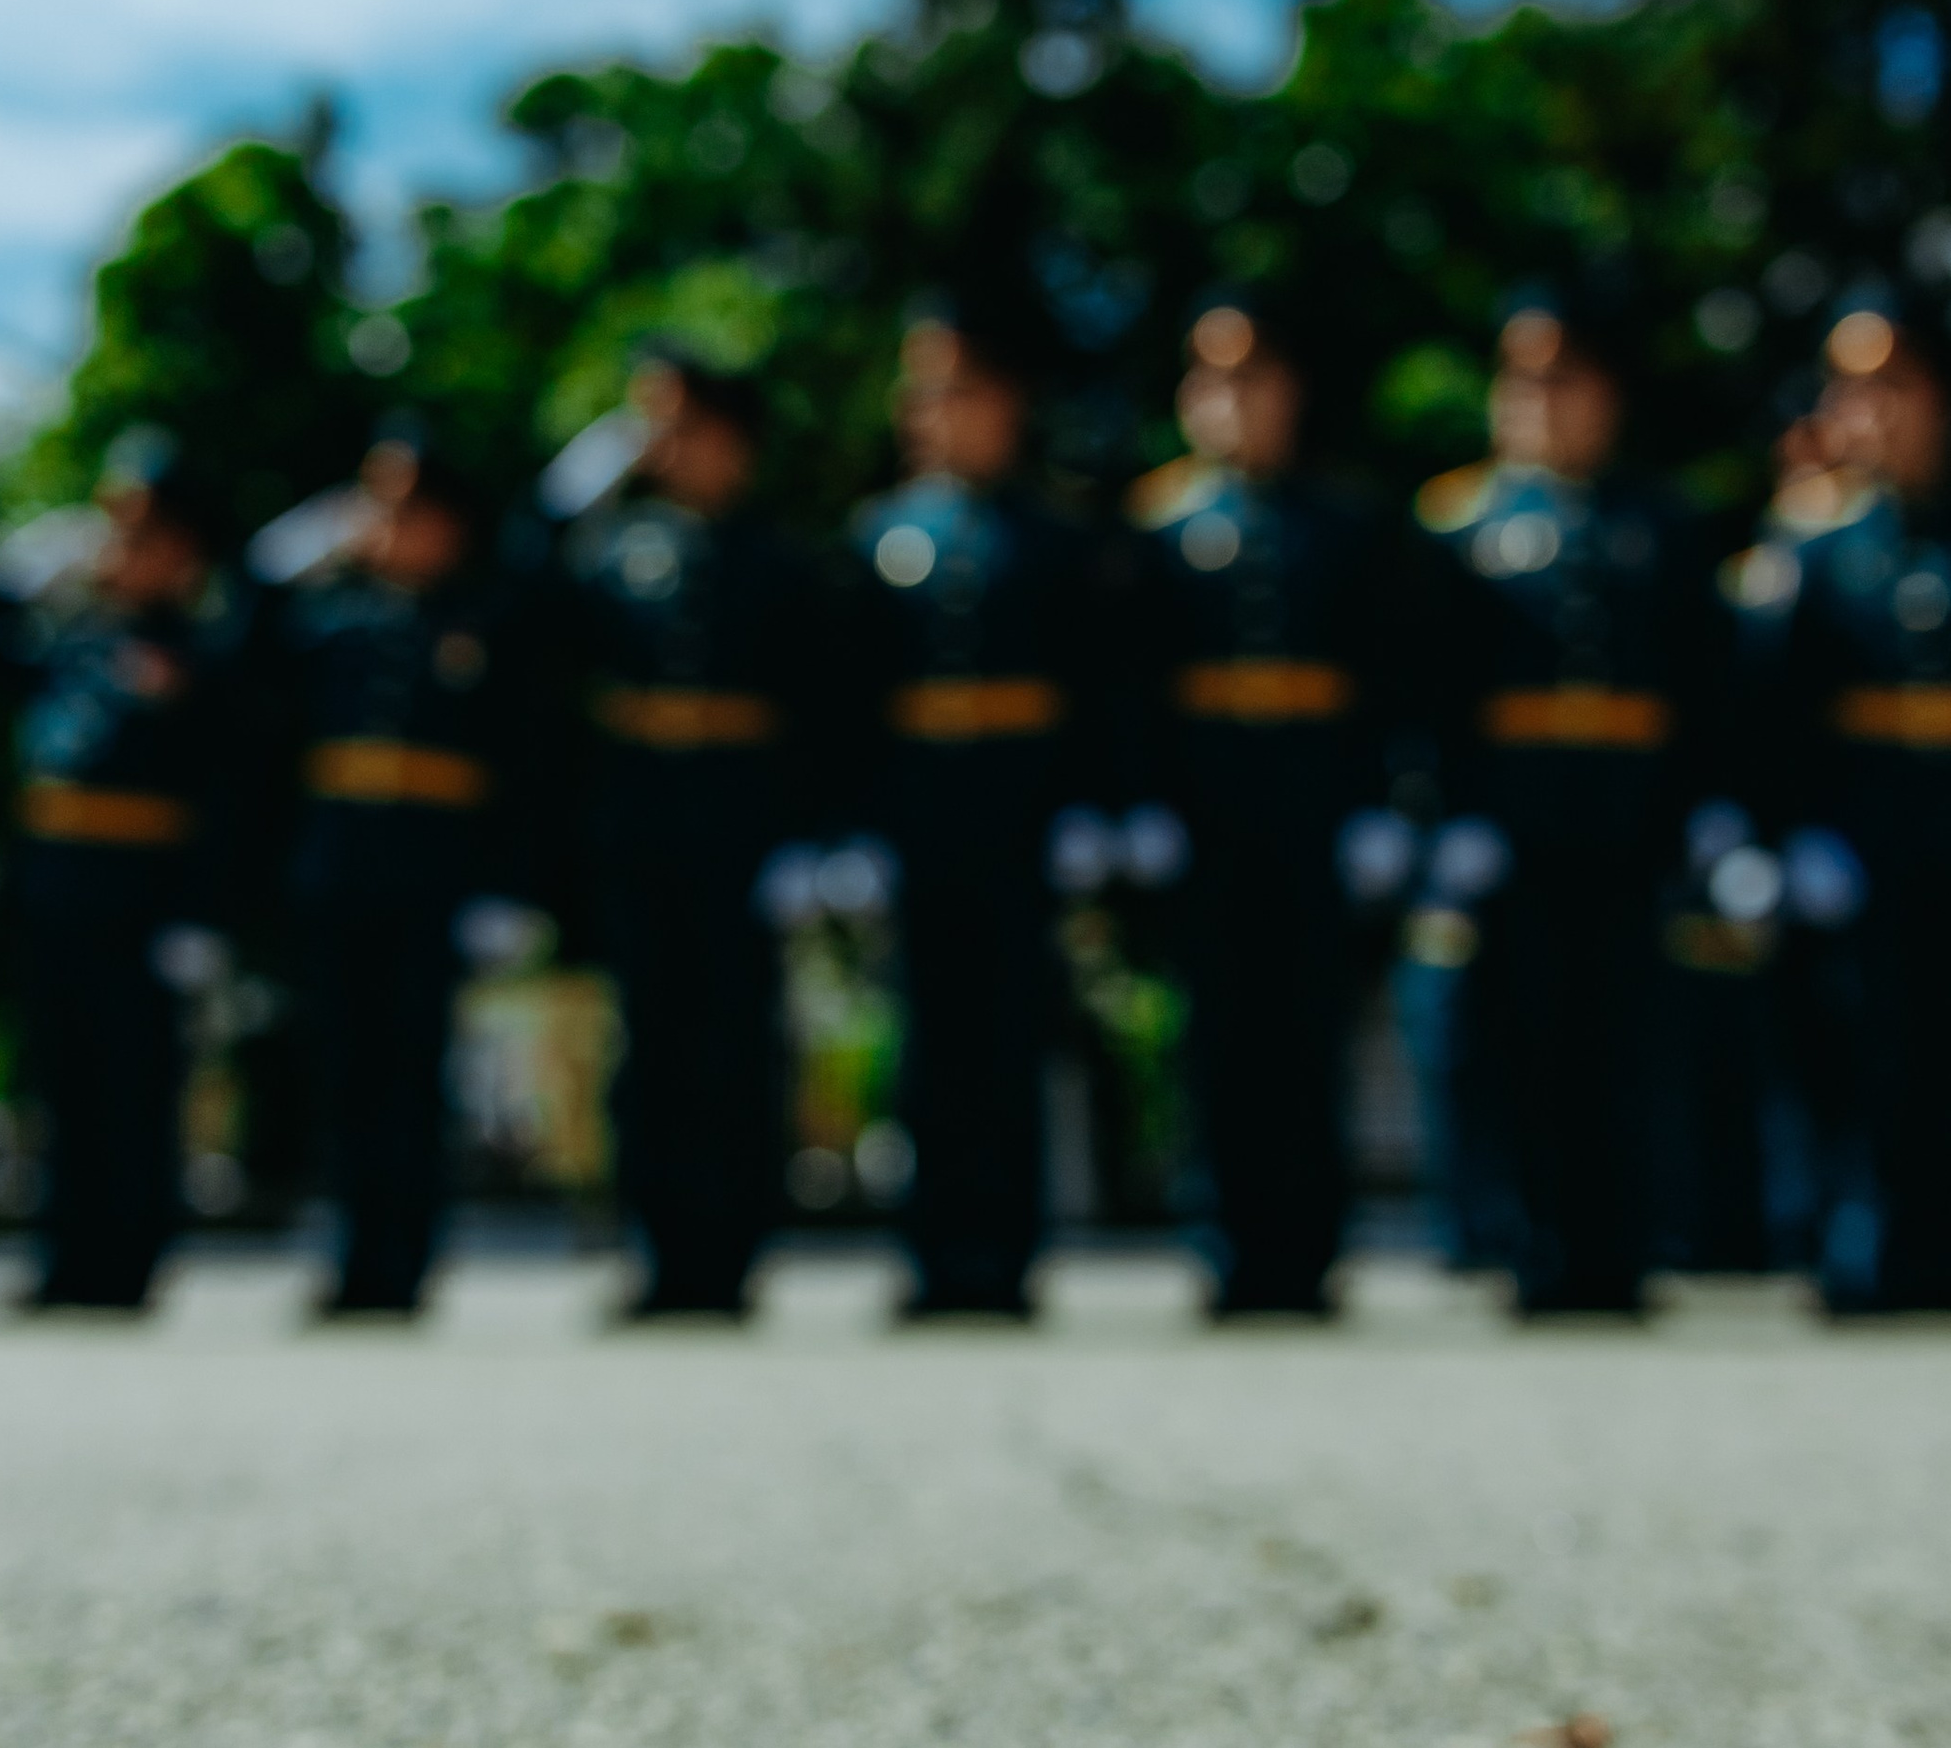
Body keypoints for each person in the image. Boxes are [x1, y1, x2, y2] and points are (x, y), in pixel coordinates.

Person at [1410, 296, 1715, 1316]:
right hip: (1515, 823)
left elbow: (1700, 687)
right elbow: (1433, 689)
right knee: (1523, 1041)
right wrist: (1447, 813)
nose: (1540, 403)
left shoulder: (1662, 524)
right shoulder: (1460, 524)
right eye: (1522, 380)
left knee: (1628, 1041)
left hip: (1628, 821)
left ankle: (1620, 1249)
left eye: (1564, 380)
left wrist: (1705, 814)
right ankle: (1532, 1245)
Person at [1123, 291, 1406, 1319]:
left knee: (1308, 1033)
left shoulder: (1343, 521)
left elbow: (1384, 674)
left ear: (1289, 390)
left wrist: (1383, 804)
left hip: (1313, 808)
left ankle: (1309, 1250)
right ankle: (1227, 1245)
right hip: (1206, 813)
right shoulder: (1161, 524)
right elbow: (1134, 683)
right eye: (1208, 379)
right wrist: (1139, 803)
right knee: (1220, 1040)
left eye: (1249, 377)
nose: (1227, 401)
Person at [1758, 297, 1951, 1314]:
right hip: (1860, 832)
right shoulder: (1816, 551)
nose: (1870, 411)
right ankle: (1858, 1246)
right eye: (1851, 388)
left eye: (1893, 385)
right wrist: (1787, 837)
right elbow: (1777, 715)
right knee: (1855, 1044)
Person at [549, 351, 830, 1318]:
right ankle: (659, 1253)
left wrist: (811, 839)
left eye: (676, 422)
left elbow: (816, 710)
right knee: (652, 1044)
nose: (659, 444)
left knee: (737, 1045)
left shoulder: (780, 557)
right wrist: (564, 496)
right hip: (641, 824)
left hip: (740, 822)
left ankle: (734, 1255)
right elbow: (522, 614)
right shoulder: (612, 547)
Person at [847, 299, 1109, 1317]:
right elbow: (851, 700)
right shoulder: (879, 533)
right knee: (926, 1047)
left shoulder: (1051, 535)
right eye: (921, 391)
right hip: (919, 818)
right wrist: (850, 824)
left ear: (1006, 404)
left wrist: (1095, 808)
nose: (933, 412)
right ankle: (931, 1254)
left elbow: (1092, 685)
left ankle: (1005, 1254)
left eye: (956, 389)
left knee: (1007, 1042)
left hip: (1018, 815)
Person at [263, 422, 531, 1316]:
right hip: (340, 868)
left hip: (433, 872)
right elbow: (237, 638)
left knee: (413, 1075)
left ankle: (405, 1261)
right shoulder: (330, 615)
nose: (385, 524)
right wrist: (299, 543)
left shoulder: (486, 617)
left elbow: (521, 762)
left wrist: (503, 885)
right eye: (374, 503)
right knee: (342, 1073)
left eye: (408, 506)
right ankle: (347, 1258)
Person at [0, 431, 245, 1312]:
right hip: (59, 888)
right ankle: (64, 1260)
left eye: (143, 533)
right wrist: (20, 574)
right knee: (61, 1084)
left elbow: (228, 790)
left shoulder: (213, 646)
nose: (120, 550)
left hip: (147, 896)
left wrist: (203, 912)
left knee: (134, 1086)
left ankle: (129, 1263)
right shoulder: (75, 632)